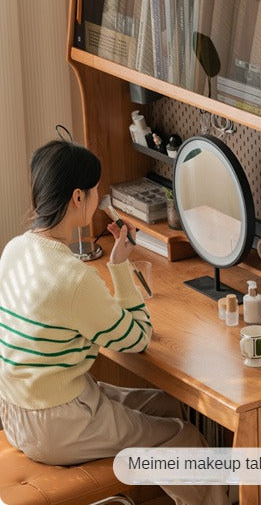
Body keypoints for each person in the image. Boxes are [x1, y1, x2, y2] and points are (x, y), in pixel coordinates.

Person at [0, 139, 227, 505]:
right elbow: (138, 337)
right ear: (78, 197)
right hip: (56, 426)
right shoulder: (72, 279)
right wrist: (120, 267)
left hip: (16, 414)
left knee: (167, 406)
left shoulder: (14, 251)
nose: (98, 196)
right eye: (94, 190)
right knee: (182, 437)